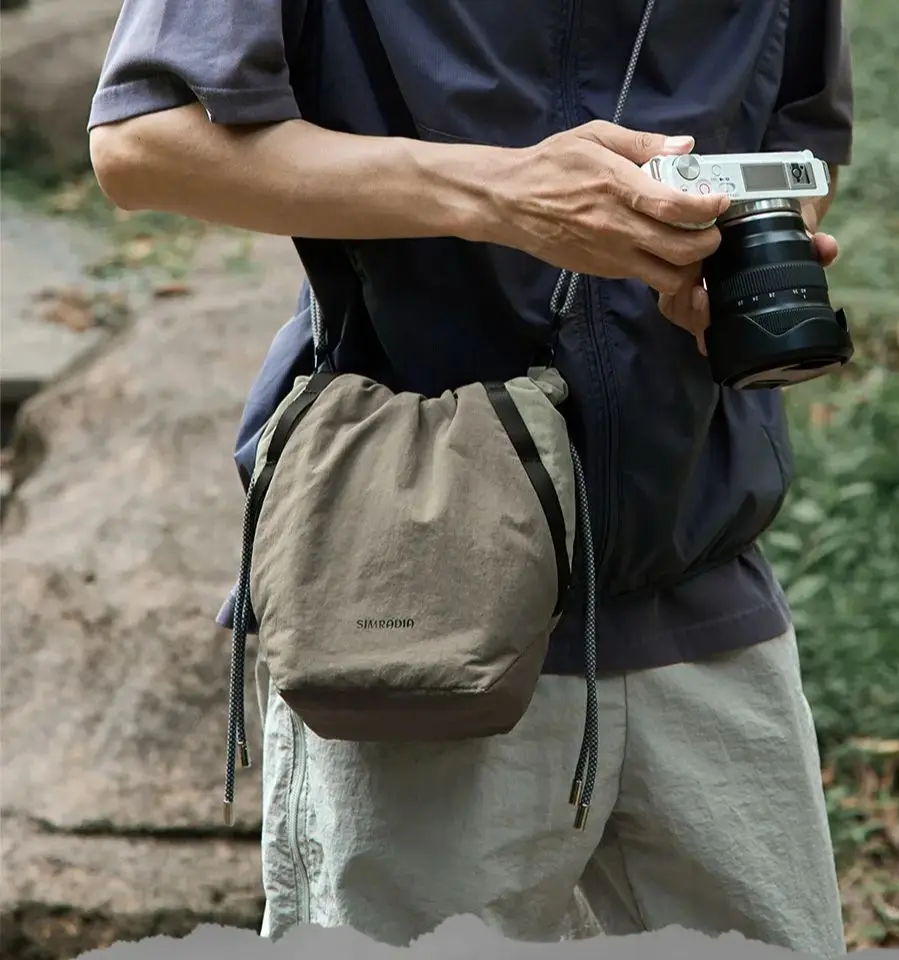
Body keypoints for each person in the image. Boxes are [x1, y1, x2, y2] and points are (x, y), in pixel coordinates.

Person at [88, 0, 853, 954]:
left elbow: (800, 140)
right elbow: (145, 143)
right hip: (408, 598)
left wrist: (722, 261)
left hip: (700, 584)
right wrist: (500, 195)